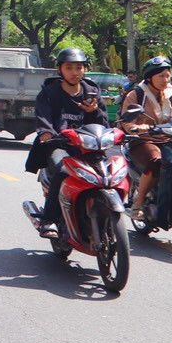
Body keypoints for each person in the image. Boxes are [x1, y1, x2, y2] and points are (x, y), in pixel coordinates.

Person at [24, 47, 107, 236]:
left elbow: (103, 124)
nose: (75, 72)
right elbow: (43, 119)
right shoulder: (49, 93)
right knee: (63, 170)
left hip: (88, 146)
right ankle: (49, 219)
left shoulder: (92, 92)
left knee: (111, 172)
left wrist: (93, 112)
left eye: (79, 67)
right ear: (60, 70)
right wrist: (47, 133)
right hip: (58, 145)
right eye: (69, 68)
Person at [120, 56, 172, 218]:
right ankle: (138, 203)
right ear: (149, 78)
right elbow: (127, 121)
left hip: (170, 139)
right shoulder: (136, 94)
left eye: (168, 75)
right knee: (156, 162)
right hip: (143, 140)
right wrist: (135, 127)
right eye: (161, 76)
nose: (166, 80)